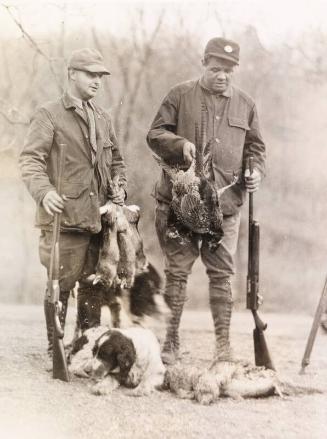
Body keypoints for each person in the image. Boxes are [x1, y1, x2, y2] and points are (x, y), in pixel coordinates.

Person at [147, 37, 266, 365]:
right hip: (179, 205)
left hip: (225, 209)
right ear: (204, 63)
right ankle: (170, 342)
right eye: (216, 68)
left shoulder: (246, 104)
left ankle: (223, 347)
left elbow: (255, 149)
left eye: (229, 70)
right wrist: (178, 143)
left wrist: (255, 172)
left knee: (222, 275)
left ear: (235, 70)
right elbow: (154, 134)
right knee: (177, 273)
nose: (222, 75)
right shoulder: (179, 95)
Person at [19, 48, 127, 360]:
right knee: (60, 285)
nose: (97, 81)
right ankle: (56, 348)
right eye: (90, 74)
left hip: (99, 220)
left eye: (100, 76)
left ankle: (86, 347)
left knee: (94, 287)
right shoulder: (49, 114)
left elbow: (117, 162)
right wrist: (44, 191)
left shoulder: (104, 119)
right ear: (72, 74)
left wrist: (119, 185)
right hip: (64, 218)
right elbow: (29, 160)